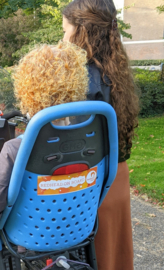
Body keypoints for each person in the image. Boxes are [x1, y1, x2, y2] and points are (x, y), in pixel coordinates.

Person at [0, 41, 89, 246]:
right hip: (78, 228)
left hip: (28, 236)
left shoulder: (15, 149)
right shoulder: (89, 143)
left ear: (27, 90)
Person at [62, 1, 139, 270]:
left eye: (65, 30)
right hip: (117, 175)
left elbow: (78, 147)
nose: (63, 38)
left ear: (81, 31)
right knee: (116, 256)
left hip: (94, 186)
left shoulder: (83, 78)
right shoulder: (114, 71)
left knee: (97, 258)